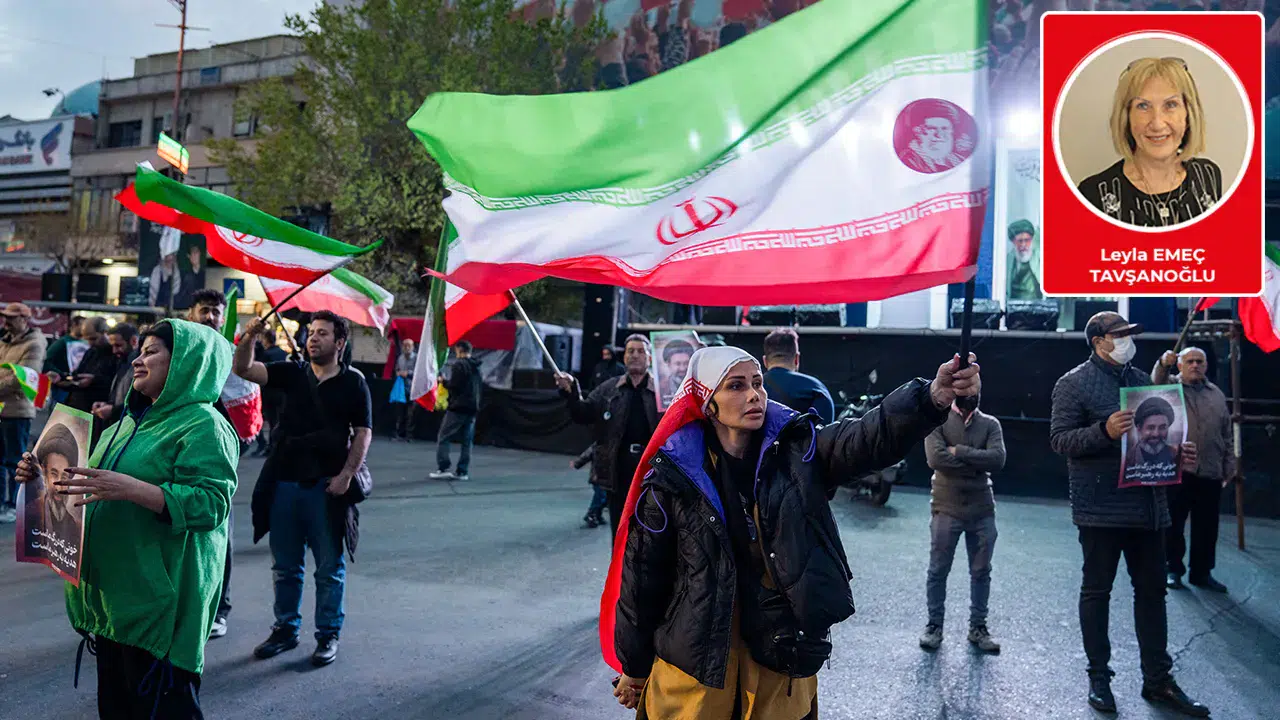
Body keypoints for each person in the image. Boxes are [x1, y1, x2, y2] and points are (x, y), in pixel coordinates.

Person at [606, 346, 980, 716]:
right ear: (708, 402)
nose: (755, 394)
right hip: (697, 671)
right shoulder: (672, 478)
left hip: (779, 662)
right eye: (735, 386)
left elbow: (867, 438)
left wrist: (932, 396)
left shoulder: (798, 452)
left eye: (757, 382)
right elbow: (643, 582)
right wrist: (635, 669)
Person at [15, 319, 238, 718]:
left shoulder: (205, 424)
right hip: (113, 605)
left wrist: (131, 488)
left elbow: (211, 504)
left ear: (189, 364)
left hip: (158, 608)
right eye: (141, 350)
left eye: (152, 352)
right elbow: (81, 488)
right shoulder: (120, 427)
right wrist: (40, 476)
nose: (138, 360)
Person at [1049, 311, 1208, 717]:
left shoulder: (1141, 381)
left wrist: (1178, 454)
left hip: (1149, 508)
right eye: (1120, 334)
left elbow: (1155, 440)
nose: (1127, 340)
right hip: (1100, 509)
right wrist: (1103, 431)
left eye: (1129, 334)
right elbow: (1060, 440)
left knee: (1153, 595)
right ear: (1098, 341)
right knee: (1097, 594)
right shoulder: (1072, 384)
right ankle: (1099, 679)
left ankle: (1157, 681)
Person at [236, 310, 372, 668]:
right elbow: (245, 370)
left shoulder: (354, 383)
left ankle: (327, 635)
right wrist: (249, 337)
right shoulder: (292, 373)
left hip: (325, 489)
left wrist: (346, 475)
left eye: (322, 333)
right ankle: (285, 629)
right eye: (311, 332)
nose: (312, 338)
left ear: (339, 343)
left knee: (329, 568)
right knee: (285, 566)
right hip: (283, 484)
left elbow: (363, 432)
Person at [1076, 57, 1222, 228]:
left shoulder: (1208, 176)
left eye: (1171, 104)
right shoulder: (1093, 194)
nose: (1157, 123)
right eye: (1143, 106)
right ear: (1126, 117)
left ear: (1188, 115)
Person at [919, 392, 1005, 654]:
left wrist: (959, 452)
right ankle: (934, 626)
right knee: (938, 570)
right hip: (946, 507)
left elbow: (998, 459)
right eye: (968, 390)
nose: (973, 394)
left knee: (981, 572)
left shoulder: (990, 424)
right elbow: (935, 459)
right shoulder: (938, 422)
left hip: (982, 509)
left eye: (977, 389)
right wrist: (977, 462)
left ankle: (978, 628)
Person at [555, 334, 660, 538]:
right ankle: (619, 570)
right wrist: (571, 391)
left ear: (650, 358)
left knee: (650, 536)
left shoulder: (663, 391)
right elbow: (583, 413)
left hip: (652, 474)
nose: (635, 355)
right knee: (620, 532)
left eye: (641, 351)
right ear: (624, 357)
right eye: (631, 351)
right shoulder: (609, 388)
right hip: (617, 471)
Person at [186, 288, 242, 640]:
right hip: (179, 456)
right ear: (190, 312)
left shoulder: (231, 358)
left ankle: (219, 609)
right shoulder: (182, 353)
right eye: (205, 310)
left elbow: (246, 411)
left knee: (220, 538)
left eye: (216, 313)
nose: (211, 317)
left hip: (217, 462)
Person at [1154, 346, 1233, 593]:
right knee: (1174, 524)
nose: (1195, 365)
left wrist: (1229, 464)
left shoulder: (1217, 395)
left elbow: (1226, 433)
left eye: (1200, 361)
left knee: (1207, 527)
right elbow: (1154, 382)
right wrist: (1161, 363)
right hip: (1179, 468)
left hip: (1210, 469)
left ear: (1206, 365)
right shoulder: (1170, 388)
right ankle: (1172, 569)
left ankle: (1202, 573)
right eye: (1190, 361)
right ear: (1179, 365)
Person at [1, 302, 47, 524]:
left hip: (18, 411)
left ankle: (15, 505)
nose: (6, 322)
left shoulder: (35, 343)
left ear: (25, 320)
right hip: (2, 407)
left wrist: (7, 377)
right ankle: (2, 503)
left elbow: (22, 378)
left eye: (11, 318)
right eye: (5, 317)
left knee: (15, 462)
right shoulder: (5, 340)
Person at [429, 340, 481, 481]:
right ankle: (462, 471)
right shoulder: (476, 366)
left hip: (458, 407)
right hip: (472, 407)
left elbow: (455, 386)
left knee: (444, 436)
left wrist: (443, 382)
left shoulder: (459, 365)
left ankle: (443, 467)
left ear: (459, 350)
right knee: (466, 441)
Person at [759, 328, 835, 423]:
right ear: (796, 359)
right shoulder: (816, 389)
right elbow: (826, 432)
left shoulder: (752, 389)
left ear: (765, 361)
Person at [34, 423, 83, 551]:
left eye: (65, 477)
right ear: (44, 473)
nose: (59, 487)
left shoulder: (76, 526)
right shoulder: (31, 513)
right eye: (54, 474)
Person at [56, 317, 117, 418]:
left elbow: (115, 382)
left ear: (105, 333)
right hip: (77, 408)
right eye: (87, 339)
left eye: (93, 338)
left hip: (95, 411)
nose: (90, 343)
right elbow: (78, 374)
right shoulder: (91, 352)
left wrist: (94, 380)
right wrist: (62, 378)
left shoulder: (115, 355)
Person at [91, 323, 139, 428]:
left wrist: (113, 411)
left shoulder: (140, 366)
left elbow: (140, 403)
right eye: (112, 346)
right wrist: (108, 405)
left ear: (134, 341)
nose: (114, 350)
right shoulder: (122, 362)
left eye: (118, 345)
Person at [253, 328, 288, 457]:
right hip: (282, 392)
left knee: (272, 420)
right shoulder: (283, 353)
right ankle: (276, 445)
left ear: (266, 340)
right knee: (278, 421)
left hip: (269, 393)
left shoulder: (265, 355)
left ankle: (272, 447)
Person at [1124, 396, 1179, 469]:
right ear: (1139, 429)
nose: (1156, 434)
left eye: (1162, 427)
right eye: (1150, 428)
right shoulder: (1128, 458)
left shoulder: (1177, 455)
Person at [572, 442, 608, 528]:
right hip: (598, 476)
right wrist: (577, 464)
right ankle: (591, 514)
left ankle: (597, 514)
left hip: (608, 477)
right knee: (600, 495)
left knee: (605, 497)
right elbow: (586, 456)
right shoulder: (598, 445)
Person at [1006, 219, 1043, 300]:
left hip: (1037, 306)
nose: (1023, 245)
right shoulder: (1007, 261)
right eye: (1019, 241)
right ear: (1013, 242)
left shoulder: (1040, 258)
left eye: (1027, 240)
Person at [392, 338, 418, 441]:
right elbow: (397, 369)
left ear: (413, 347)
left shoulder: (417, 358)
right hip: (401, 389)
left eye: (409, 345)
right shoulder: (400, 358)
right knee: (400, 413)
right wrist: (398, 373)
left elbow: (418, 372)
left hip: (413, 389)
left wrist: (408, 373)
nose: (407, 347)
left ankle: (410, 435)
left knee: (411, 414)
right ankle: (399, 434)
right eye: (405, 345)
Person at [659, 339, 694, 404]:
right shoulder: (661, 388)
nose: (682, 368)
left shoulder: (698, 386)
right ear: (669, 364)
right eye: (677, 364)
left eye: (686, 363)